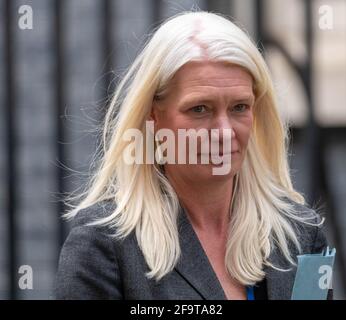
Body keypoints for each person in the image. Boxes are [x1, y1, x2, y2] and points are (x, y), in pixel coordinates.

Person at [54, 11, 331, 300]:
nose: (224, 132)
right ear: (154, 118)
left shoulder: (300, 236)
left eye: (239, 107)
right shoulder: (103, 246)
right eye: (199, 109)